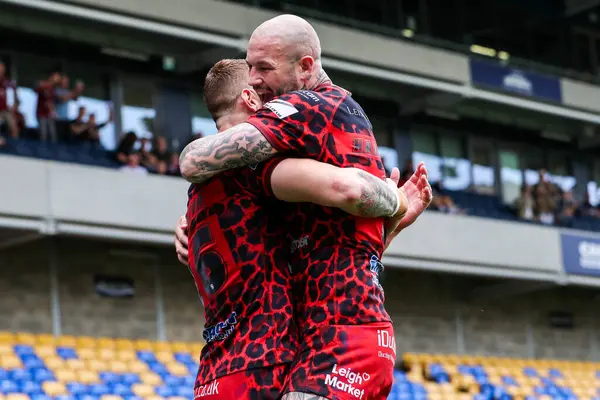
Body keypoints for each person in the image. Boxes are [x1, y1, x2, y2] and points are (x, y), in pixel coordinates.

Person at [179, 15, 432, 400]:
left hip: (332, 342)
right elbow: (336, 241)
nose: (254, 81)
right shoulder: (282, 160)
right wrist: (392, 217)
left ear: (306, 67)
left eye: (264, 68)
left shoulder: (306, 107)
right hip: (325, 341)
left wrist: (393, 200)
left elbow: (346, 188)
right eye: (249, 69)